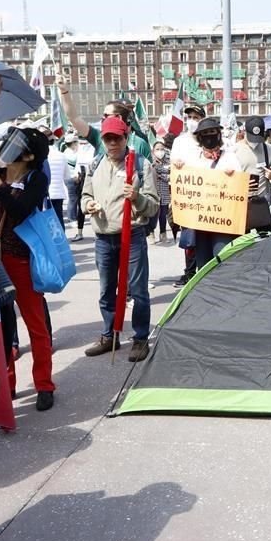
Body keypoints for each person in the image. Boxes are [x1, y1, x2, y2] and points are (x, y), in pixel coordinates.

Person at [0, 127, 56, 411]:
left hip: (23, 259)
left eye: (15, 144)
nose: (6, 147)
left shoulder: (36, 179)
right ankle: (7, 384)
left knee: (35, 325)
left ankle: (44, 384)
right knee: (3, 328)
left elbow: (20, 209)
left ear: (28, 154)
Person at [81, 117, 159, 360]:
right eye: (108, 138)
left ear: (126, 138)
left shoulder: (140, 165)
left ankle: (139, 338)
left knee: (137, 290)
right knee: (106, 290)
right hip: (104, 237)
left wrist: (137, 197)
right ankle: (109, 335)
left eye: (117, 138)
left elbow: (154, 206)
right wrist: (88, 204)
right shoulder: (95, 165)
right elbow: (84, 195)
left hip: (132, 236)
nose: (112, 143)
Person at [171, 117, 242, 269]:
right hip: (200, 224)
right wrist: (179, 168)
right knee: (203, 266)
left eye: (213, 132)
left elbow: (240, 187)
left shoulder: (230, 157)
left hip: (223, 223)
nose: (210, 136)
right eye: (205, 133)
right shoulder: (191, 159)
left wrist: (233, 176)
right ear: (199, 137)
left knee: (223, 260)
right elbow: (183, 184)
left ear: (219, 135)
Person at [56, 75, 151, 170]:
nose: (112, 143)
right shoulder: (98, 137)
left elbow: (148, 174)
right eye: (107, 140)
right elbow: (74, 118)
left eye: (107, 115)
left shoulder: (140, 144)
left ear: (119, 118)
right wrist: (64, 91)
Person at [236, 116, 271, 232]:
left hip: (260, 203)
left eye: (257, 138)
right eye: (252, 138)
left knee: (268, 240)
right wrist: (240, 184)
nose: (254, 142)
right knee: (241, 245)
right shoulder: (234, 150)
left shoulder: (269, 149)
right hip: (239, 203)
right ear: (245, 131)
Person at [40, 125, 69, 224]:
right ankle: (62, 239)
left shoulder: (40, 156)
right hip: (58, 193)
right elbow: (67, 176)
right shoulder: (62, 155)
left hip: (44, 194)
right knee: (59, 220)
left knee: (47, 222)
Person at [151, 140, 172, 243]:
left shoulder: (168, 162)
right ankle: (151, 234)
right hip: (154, 192)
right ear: (153, 151)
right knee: (152, 215)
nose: (160, 151)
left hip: (164, 193)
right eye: (157, 149)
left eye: (162, 149)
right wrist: (161, 173)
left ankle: (163, 234)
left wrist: (160, 174)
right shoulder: (150, 163)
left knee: (163, 215)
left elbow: (170, 177)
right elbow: (150, 174)